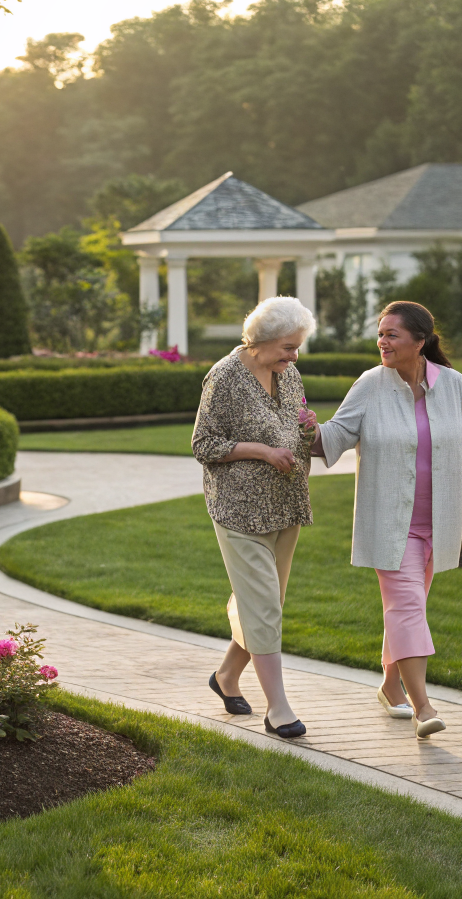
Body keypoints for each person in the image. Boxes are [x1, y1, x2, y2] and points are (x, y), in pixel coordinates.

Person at [311, 300, 462, 738]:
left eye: (392, 334)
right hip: (390, 524)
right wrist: (309, 430)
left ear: (420, 341)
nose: (382, 341)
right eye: (380, 334)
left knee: (407, 608)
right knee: (408, 608)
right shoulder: (370, 385)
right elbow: (337, 435)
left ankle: (390, 686)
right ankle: (423, 707)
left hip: (439, 523)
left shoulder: (453, 385)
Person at [192, 295, 320, 740]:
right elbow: (203, 443)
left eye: (297, 347)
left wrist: (307, 426)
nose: (294, 356)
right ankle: (278, 708)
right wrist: (262, 452)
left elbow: (293, 425)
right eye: (288, 347)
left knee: (267, 604)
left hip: (286, 503)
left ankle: (226, 676)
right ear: (260, 341)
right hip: (239, 508)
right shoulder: (225, 376)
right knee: (263, 605)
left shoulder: (289, 373)